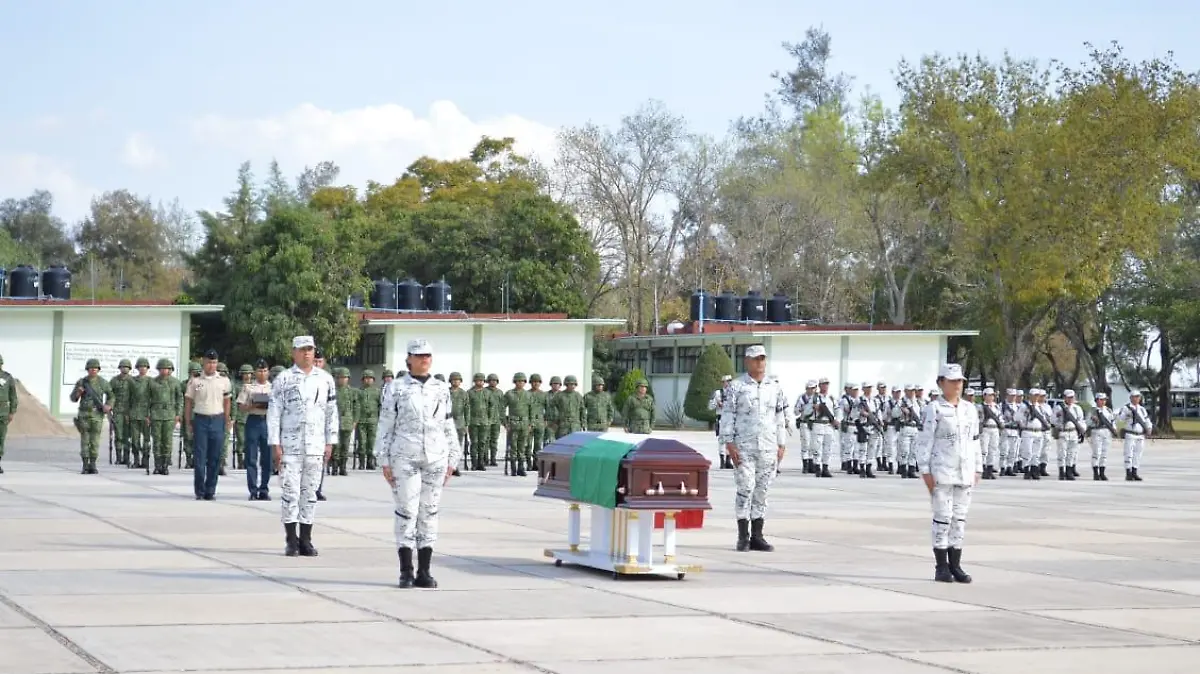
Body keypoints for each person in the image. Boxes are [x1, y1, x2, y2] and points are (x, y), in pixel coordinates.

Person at [374, 339, 462, 588]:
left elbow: (447, 424)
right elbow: (386, 424)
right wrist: (383, 458)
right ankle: (406, 571)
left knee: (429, 512)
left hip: (435, 457)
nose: (424, 359)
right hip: (405, 456)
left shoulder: (441, 388)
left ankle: (425, 571)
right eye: (419, 355)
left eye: (428, 356)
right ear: (409, 359)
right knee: (407, 511)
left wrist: (453, 458)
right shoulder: (395, 388)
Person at [268, 336, 337, 556]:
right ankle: (291, 539)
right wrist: (275, 443)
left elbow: (331, 412)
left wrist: (330, 441)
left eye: (310, 349)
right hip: (290, 446)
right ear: (294, 353)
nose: (307, 353)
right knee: (290, 492)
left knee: (310, 493)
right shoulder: (284, 379)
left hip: (316, 445)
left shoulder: (325, 379)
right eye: (302, 350)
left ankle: (306, 539)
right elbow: (274, 413)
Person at [915, 363, 980, 584]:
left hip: (965, 472)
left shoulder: (969, 409)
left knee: (959, 520)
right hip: (942, 470)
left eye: (960, 381)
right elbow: (925, 442)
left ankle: (956, 565)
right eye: (952, 381)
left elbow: (975, 441)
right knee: (943, 519)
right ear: (941, 383)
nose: (957, 385)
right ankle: (941, 566)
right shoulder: (934, 409)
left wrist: (978, 468)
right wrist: (925, 471)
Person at [719, 344, 787, 552]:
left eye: (763, 359)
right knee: (745, 488)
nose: (760, 363)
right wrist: (729, 443)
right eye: (756, 359)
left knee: (762, 491)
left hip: (767, 446)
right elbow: (728, 416)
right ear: (747, 361)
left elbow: (780, 416)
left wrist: (781, 443)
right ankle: (743, 536)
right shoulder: (737, 387)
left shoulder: (774, 387)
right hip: (744, 447)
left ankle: (758, 535)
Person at [185, 350, 232, 500]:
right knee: (199, 458)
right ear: (203, 363)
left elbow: (227, 402)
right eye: (208, 362)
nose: (211, 365)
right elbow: (188, 402)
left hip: (217, 420)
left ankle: (210, 490)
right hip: (200, 420)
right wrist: (188, 422)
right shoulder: (196, 381)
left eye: (214, 362)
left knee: (215, 458)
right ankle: (199, 491)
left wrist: (226, 420)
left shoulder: (223, 381)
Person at [70, 358, 113, 474]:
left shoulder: (103, 382)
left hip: (97, 415)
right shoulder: (82, 382)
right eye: (91, 368)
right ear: (87, 369)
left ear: (98, 370)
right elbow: (73, 398)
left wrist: (108, 405)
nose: (93, 370)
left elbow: (111, 395)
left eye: (95, 368)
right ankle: (85, 464)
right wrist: (78, 392)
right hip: (84, 415)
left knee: (95, 440)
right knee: (85, 440)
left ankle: (93, 464)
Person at [238, 359, 273, 500]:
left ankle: (264, 489)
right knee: (251, 457)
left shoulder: (273, 388)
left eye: (265, 371)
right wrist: (251, 405)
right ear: (255, 372)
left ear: (268, 372)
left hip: (267, 422)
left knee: (267, 458)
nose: (262, 373)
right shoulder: (248, 388)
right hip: (253, 420)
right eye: (259, 371)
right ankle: (253, 490)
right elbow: (240, 406)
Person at [1117, 390, 1152, 481]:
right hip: (1130, 433)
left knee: (1138, 454)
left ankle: (1134, 472)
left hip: (1140, 434)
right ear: (1131, 398)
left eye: (1138, 397)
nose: (1136, 399)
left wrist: (1149, 428)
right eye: (1135, 397)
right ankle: (1128, 473)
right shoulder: (1126, 408)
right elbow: (1120, 419)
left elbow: (1146, 420)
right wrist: (1127, 415)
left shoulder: (1142, 409)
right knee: (1129, 454)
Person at [1087, 392, 1117, 481]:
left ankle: (1102, 472)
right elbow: (1087, 422)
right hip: (1096, 431)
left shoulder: (1108, 410)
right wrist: (1093, 419)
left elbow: (1112, 421)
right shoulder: (1092, 410)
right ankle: (1096, 473)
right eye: (1101, 400)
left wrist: (1114, 429)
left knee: (1104, 453)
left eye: (1104, 400)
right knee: (1096, 453)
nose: (1103, 401)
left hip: (1106, 431)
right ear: (1096, 400)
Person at [708, 375, 733, 468]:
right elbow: (710, 406)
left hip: (731, 418)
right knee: (722, 440)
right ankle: (722, 462)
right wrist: (717, 403)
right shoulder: (718, 393)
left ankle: (728, 461)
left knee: (731, 440)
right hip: (722, 418)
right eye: (727, 381)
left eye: (730, 381)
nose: (729, 383)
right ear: (723, 382)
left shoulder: (735, 392)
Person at [0, 353, 17, 474]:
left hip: (3, 413)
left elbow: (13, 396)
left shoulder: (7, 377)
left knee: (1, 439)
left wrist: (12, 412)